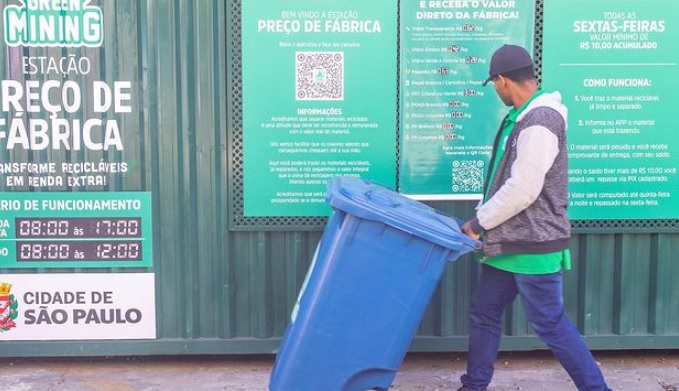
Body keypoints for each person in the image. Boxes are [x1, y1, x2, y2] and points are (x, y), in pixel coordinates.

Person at [456, 44, 612, 391]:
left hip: (533, 243)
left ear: (502, 80)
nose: (496, 91)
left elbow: (523, 189)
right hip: (510, 242)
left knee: (549, 323)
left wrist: (479, 223)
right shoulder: (524, 116)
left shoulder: (540, 120)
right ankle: (474, 385)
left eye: (494, 84)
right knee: (484, 313)